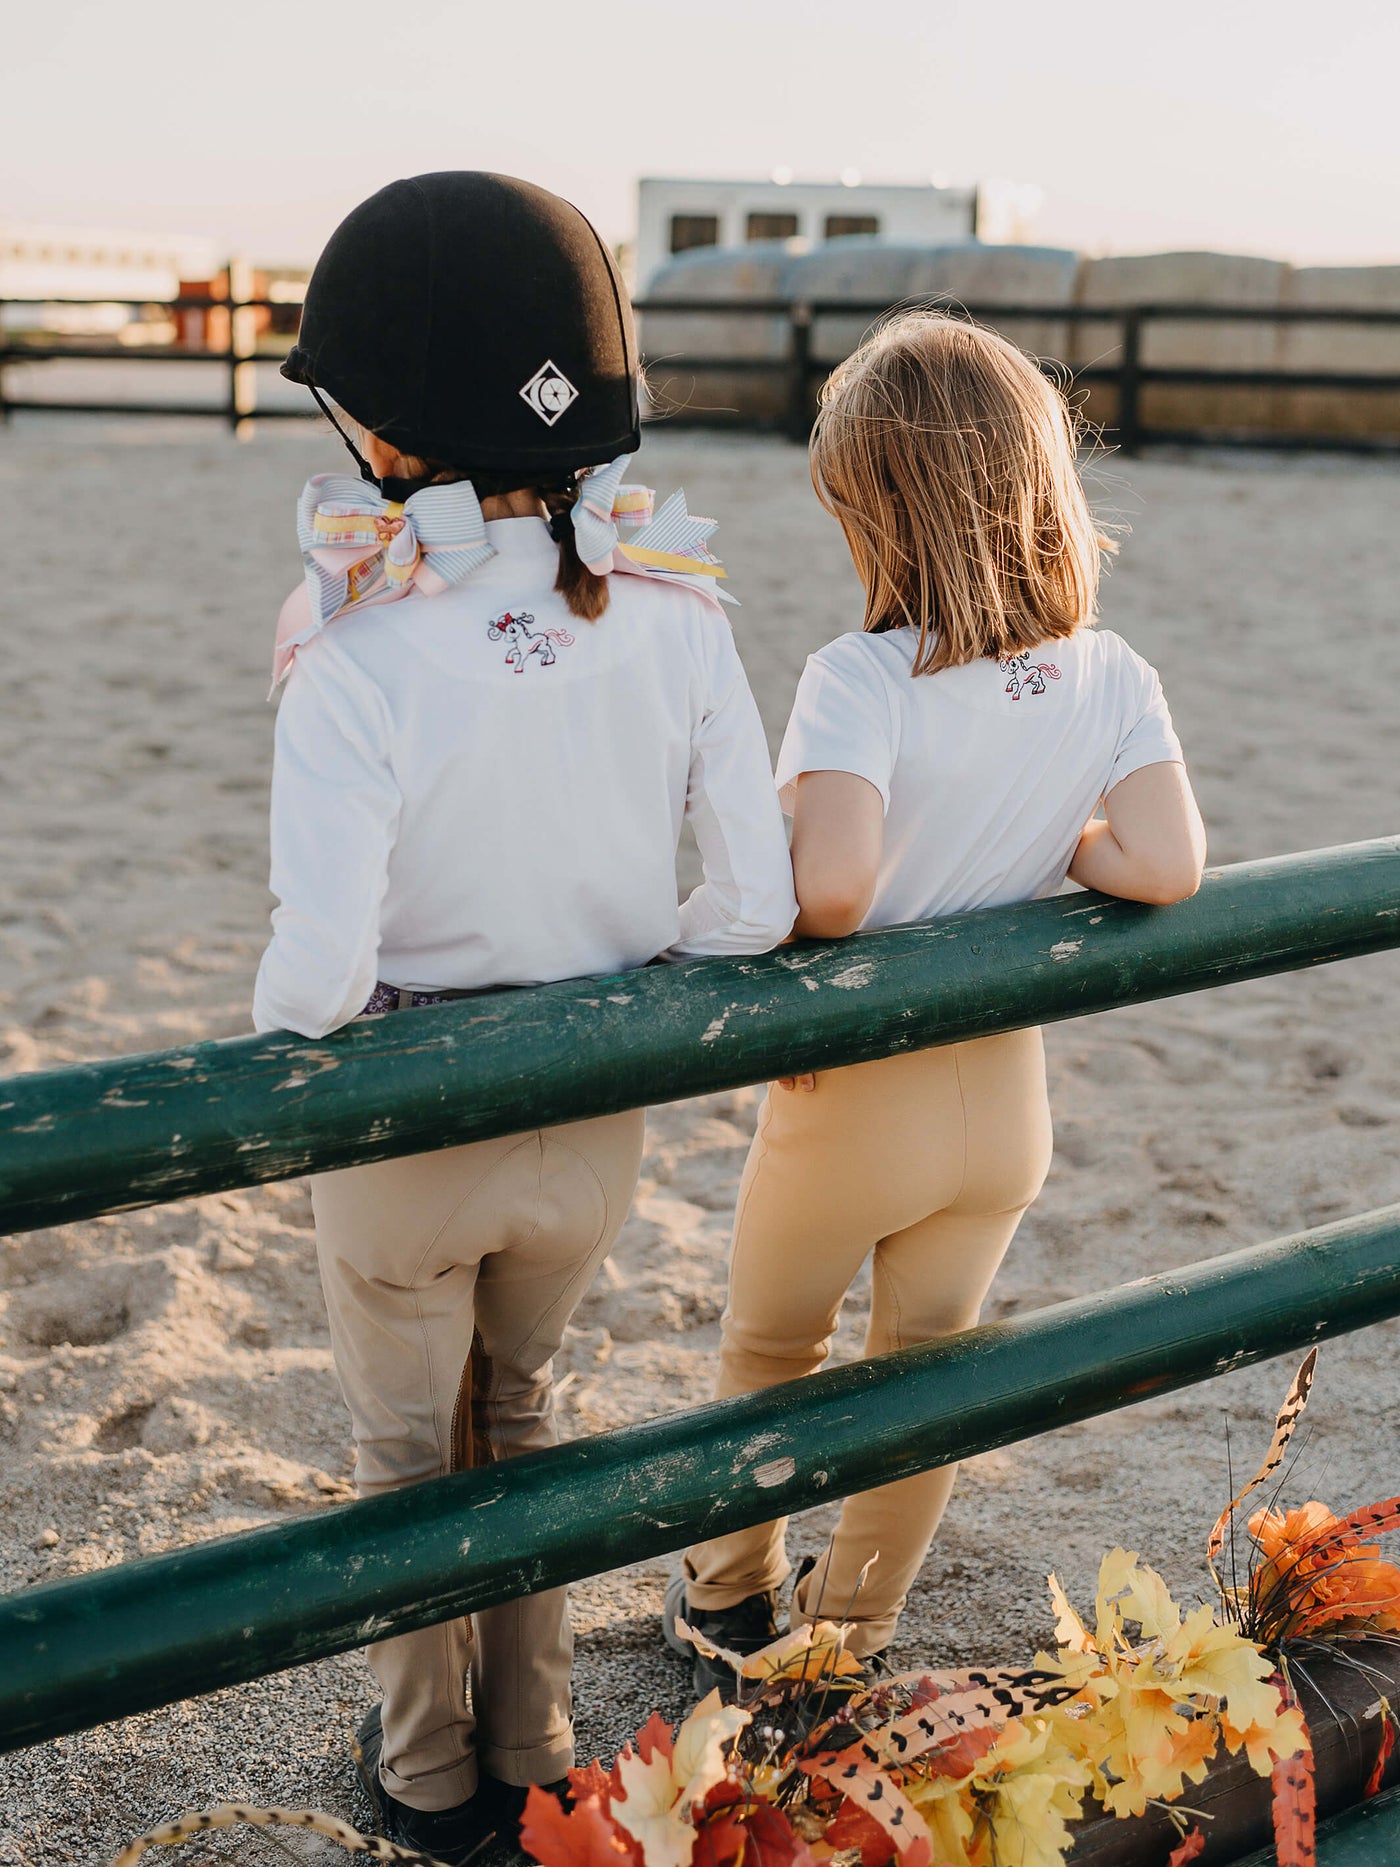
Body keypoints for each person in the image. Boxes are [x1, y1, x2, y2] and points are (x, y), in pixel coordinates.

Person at [253, 171, 797, 1862]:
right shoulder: (680, 612)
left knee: (405, 1451)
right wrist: (642, 950)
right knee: (534, 1404)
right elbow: (759, 908)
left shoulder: (351, 647)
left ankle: (426, 1775)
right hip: (591, 1111)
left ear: (392, 427)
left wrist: (278, 1024)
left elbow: (320, 976)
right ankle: (537, 1731)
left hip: (411, 1120)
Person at [665, 310, 1206, 1694]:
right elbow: (1166, 865)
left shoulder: (861, 680)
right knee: (925, 1375)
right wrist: (1052, 842)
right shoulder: (1115, 671)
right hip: (1002, 1107)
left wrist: (781, 833)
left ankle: (730, 1605)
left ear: (882, 513)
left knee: (772, 1346)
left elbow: (834, 892)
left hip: (855, 1102)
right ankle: (854, 1633)